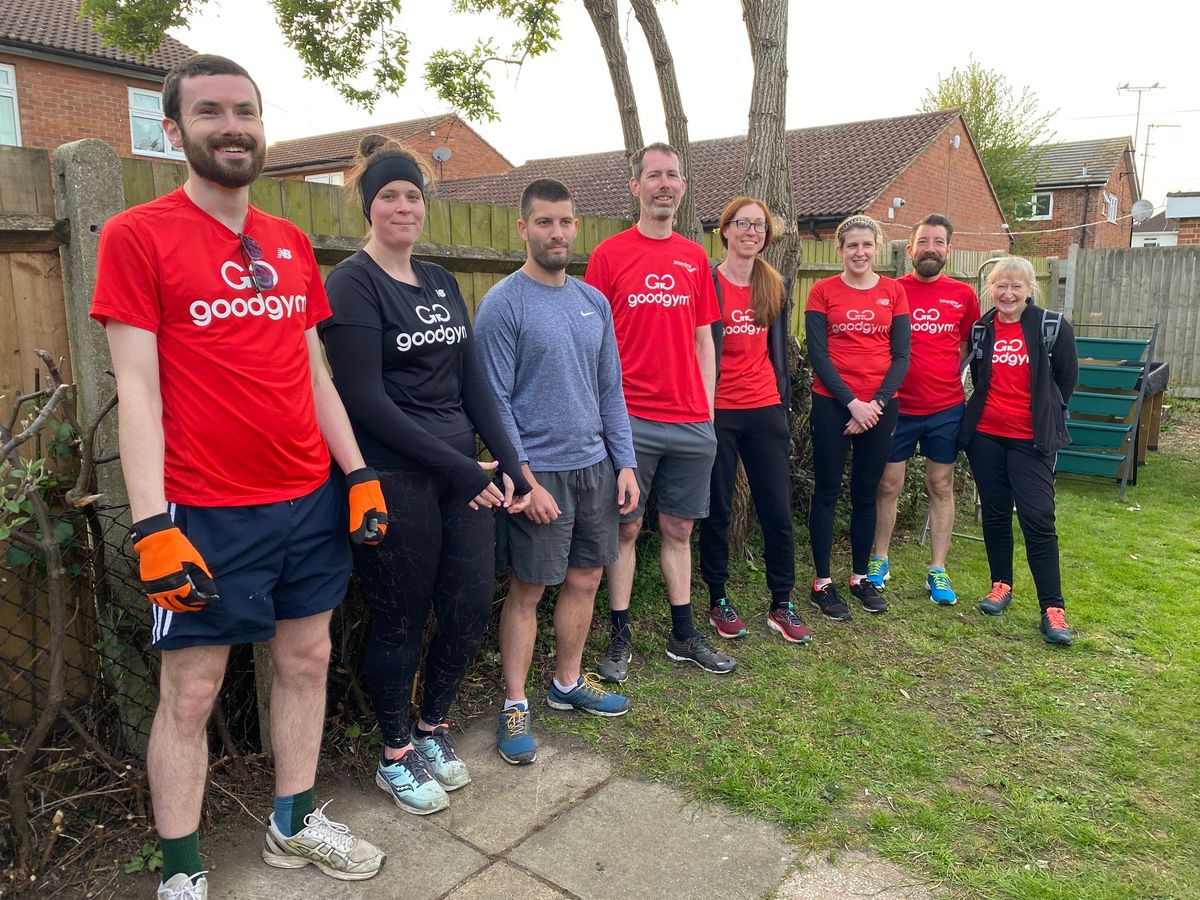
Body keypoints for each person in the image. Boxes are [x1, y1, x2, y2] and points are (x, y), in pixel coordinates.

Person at [90, 55, 387, 899]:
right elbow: (137, 390)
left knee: (307, 657)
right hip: (204, 510)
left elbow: (315, 375)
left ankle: (293, 826)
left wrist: (357, 473)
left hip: (308, 500)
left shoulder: (290, 243)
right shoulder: (136, 236)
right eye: (212, 111)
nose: (234, 126)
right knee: (191, 691)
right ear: (174, 131)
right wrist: (152, 526)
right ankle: (181, 873)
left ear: (263, 128)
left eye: (247, 112)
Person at [319, 135, 531, 816]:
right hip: (394, 473)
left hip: (461, 472)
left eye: (412, 194)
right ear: (369, 205)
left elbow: (474, 385)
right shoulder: (351, 283)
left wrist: (515, 468)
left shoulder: (440, 281)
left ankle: (432, 727)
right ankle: (394, 754)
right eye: (389, 195)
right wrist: (462, 466)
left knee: (469, 607)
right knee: (399, 620)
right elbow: (364, 401)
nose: (403, 206)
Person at [475, 179, 640, 765]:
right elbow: (492, 403)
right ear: (523, 228)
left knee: (586, 579)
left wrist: (624, 462)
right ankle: (516, 701)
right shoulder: (504, 303)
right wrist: (524, 480)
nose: (557, 233)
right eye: (545, 223)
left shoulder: (592, 301)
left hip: (595, 467)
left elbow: (609, 391)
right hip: (539, 475)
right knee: (528, 589)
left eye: (566, 222)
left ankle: (567, 682)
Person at [584, 142, 735, 680]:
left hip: (691, 420)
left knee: (678, 530)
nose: (664, 184)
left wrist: (709, 413)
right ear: (636, 187)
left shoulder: (695, 257)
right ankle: (619, 634)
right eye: (654, 176)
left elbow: (703, 340)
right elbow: (593, 340)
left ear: (683, 187)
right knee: (625, 530)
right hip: (630, 421)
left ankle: (683, 634)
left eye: (672, 175)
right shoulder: (608, 255)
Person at [698, 196, 809, 643]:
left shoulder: (774, 283)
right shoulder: (706, 282)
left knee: (777, 510)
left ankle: (782, 602)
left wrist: (781, 399)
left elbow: (777, 349)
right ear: (724, 231)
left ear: (766, 235)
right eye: (742, 224)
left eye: (759, 226)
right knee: (718, 509)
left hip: (764, 407)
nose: (750, 232)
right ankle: (717, 600)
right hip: (718, 410)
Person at [958, 256, 1078, 645]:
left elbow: (1066, 380)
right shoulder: (982, 329)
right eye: (1001, 286)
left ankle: (1052, 609)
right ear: (991, 288)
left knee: (1038, 517)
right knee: (994, 513)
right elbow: (979, 378)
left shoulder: (1051, 327)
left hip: (1032, 439)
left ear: (1030, 290)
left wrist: (1044, 415)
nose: (1008, 293)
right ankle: (1001, 585)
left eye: (1016, 287)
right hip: (987, 436)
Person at [868, 215, 980, 604]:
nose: (930, 248)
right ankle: (879, 560)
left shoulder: (964, 295)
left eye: (938, 241)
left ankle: (938, 570)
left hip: (945, 408)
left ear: (948, 249)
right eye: (923, 241)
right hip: (897, 406)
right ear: (910, 248)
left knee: (940, 485)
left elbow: (966, 349)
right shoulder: (892, 291)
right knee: (888, 484)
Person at [805, 215, 911, 621]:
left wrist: (873, 406)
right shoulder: (822, 291)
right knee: (828, 491)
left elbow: (901, 356)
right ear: (840, 250)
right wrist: (852, 404)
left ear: (877, 247)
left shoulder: (893, 291)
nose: (860, 252)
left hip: (881, 406)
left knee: (866, 494)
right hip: (833, 402)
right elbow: (818, 354)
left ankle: (860, 577)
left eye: (867, 245)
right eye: (852, 245)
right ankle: (822, 583)